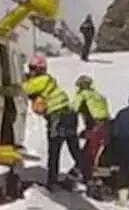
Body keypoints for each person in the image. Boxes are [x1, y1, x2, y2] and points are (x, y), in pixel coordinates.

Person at [22, 54, 87, 190]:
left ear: (41, 70)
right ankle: (88, 176)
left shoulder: (41, 80)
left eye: (33, 68)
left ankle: (52, 182)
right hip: (69, 116)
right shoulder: (47, 80)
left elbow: (23, 89)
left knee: (54, 150)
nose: (31, 71)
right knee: (73, 148)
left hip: (58, 117)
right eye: (30, 68)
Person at [72, 75, 110, 180]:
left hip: (94, 126)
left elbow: (73, 109)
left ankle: (86, 176)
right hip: (106, 125)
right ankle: (82, 171)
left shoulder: (83, 95)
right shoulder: (99, 95)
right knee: (91, 151)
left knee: (88, 152)